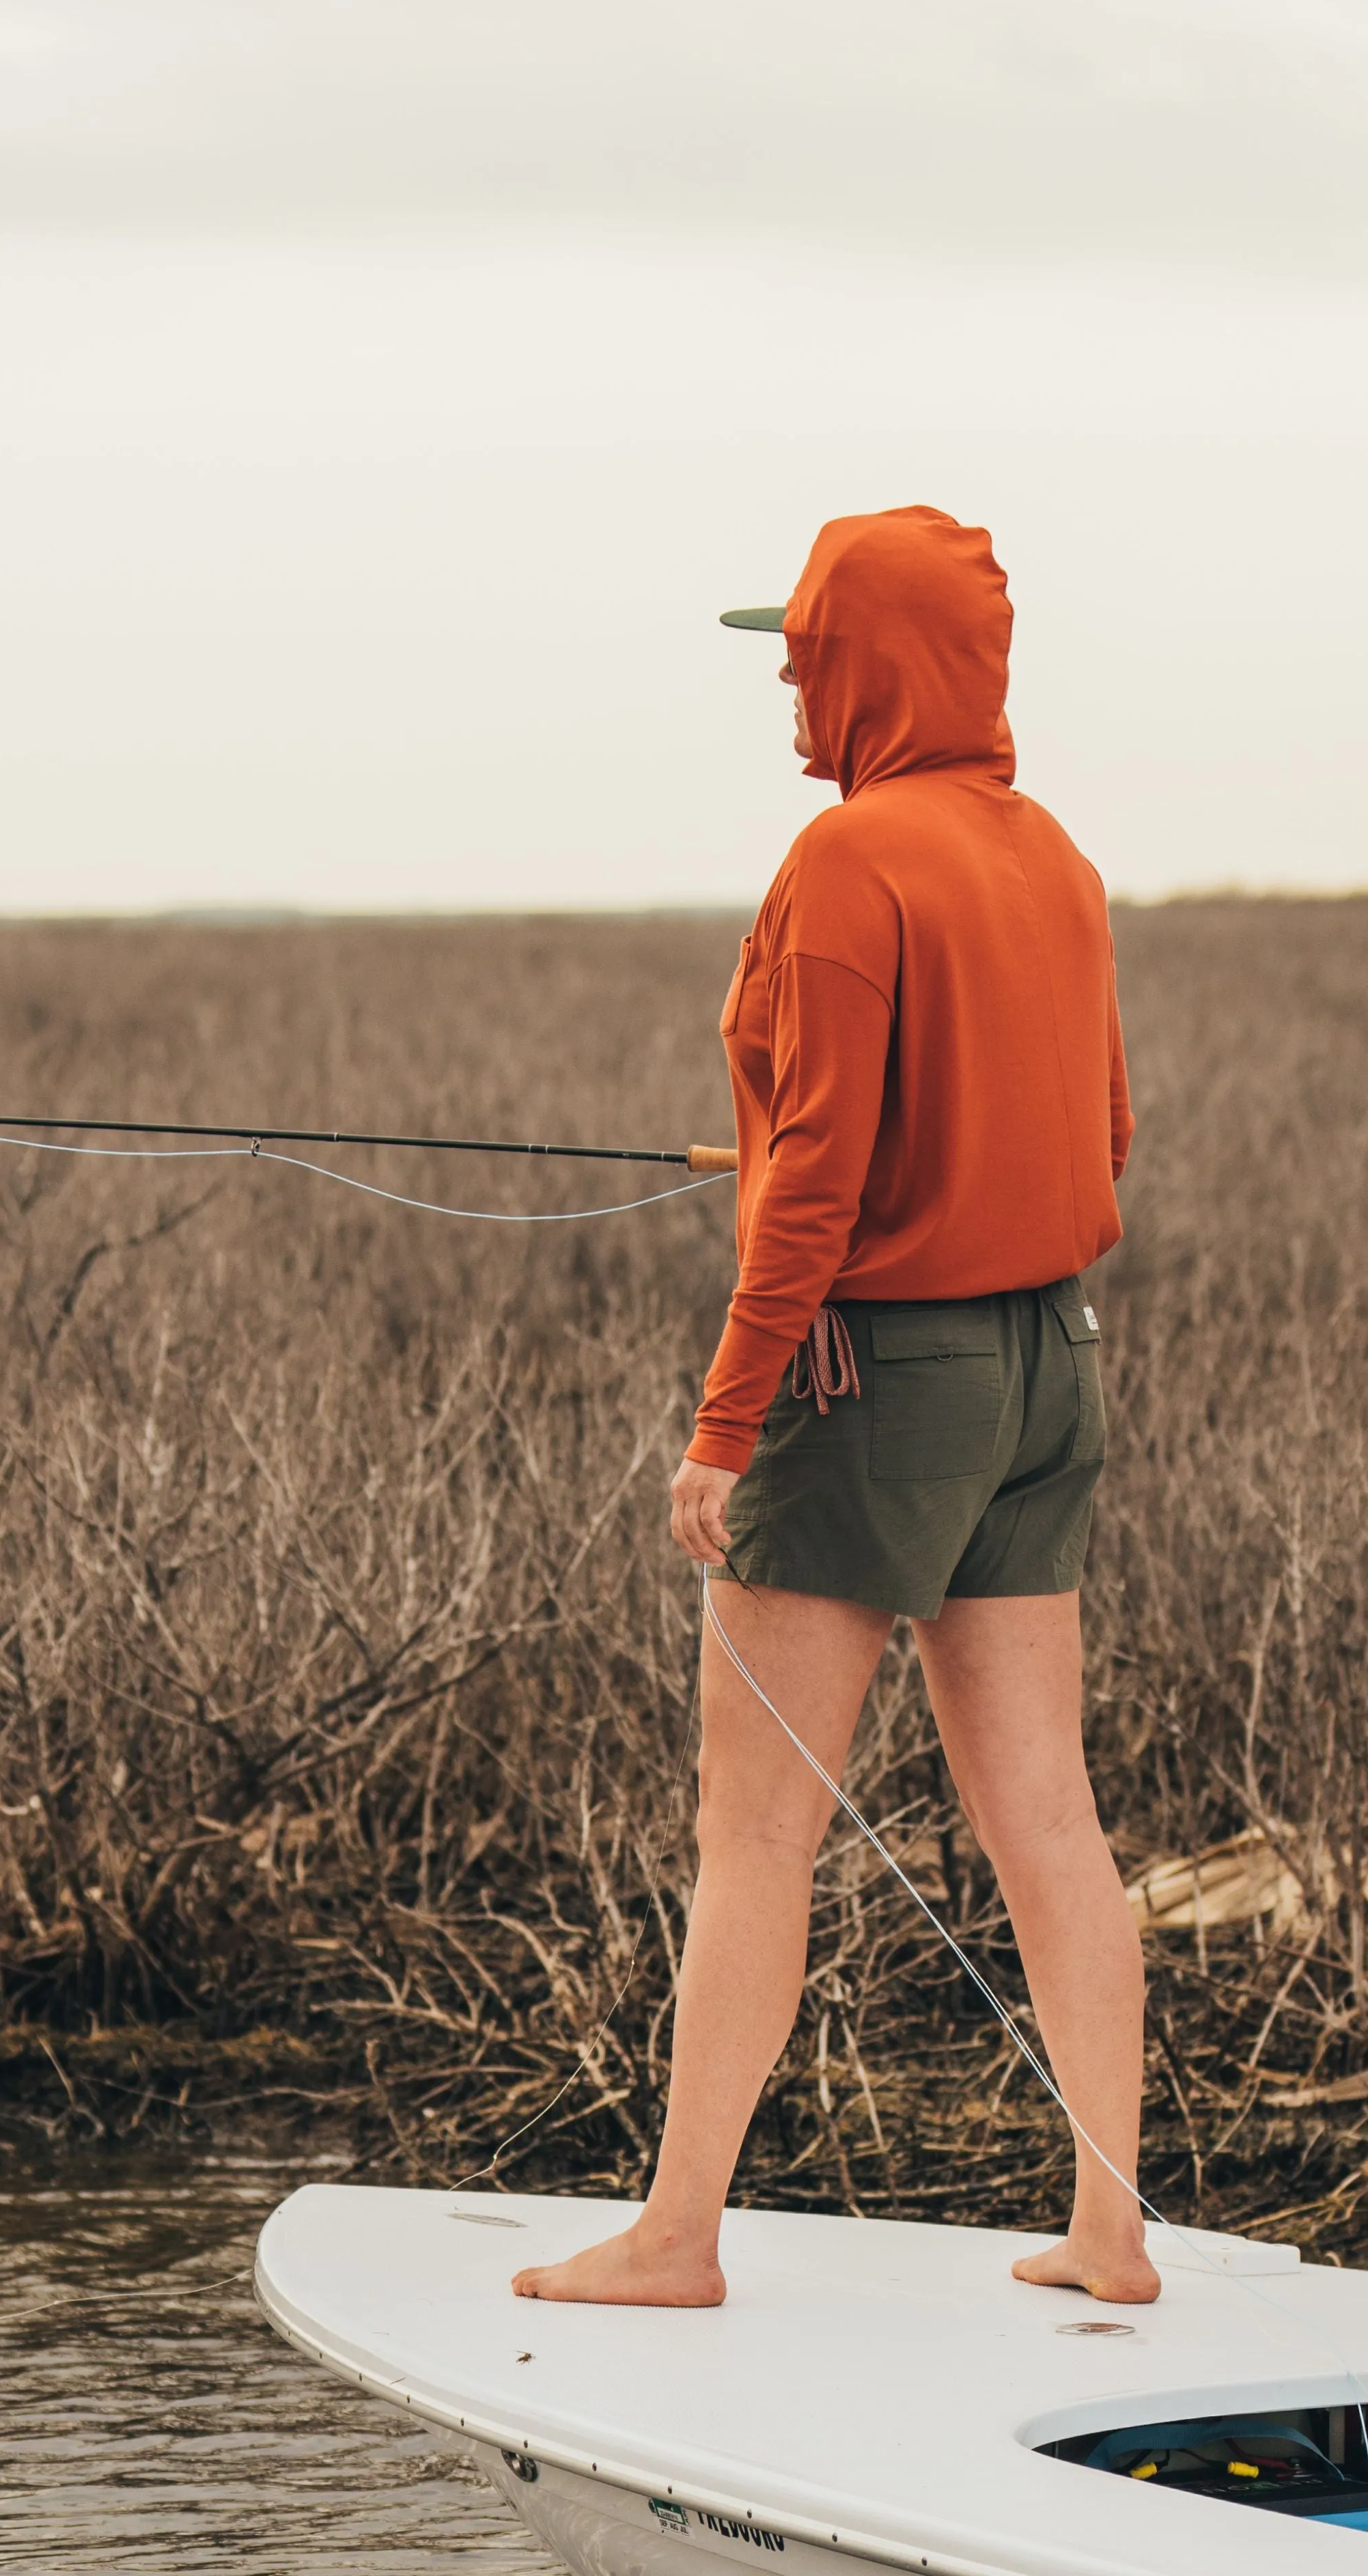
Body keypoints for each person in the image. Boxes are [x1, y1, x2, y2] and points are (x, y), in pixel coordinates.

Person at [514, 505, 1151, 2309]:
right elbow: (1098, 1140)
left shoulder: (844, 864)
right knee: (1050, 1816)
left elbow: (813, 1190)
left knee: (755, 1832)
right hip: (1049, 1369)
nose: (790, 678)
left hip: (877, 1379)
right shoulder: (1060, 861)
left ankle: (676, 2238)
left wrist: (725, 1428)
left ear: (873, 663)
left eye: (806, 647)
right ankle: (1112, 2238)